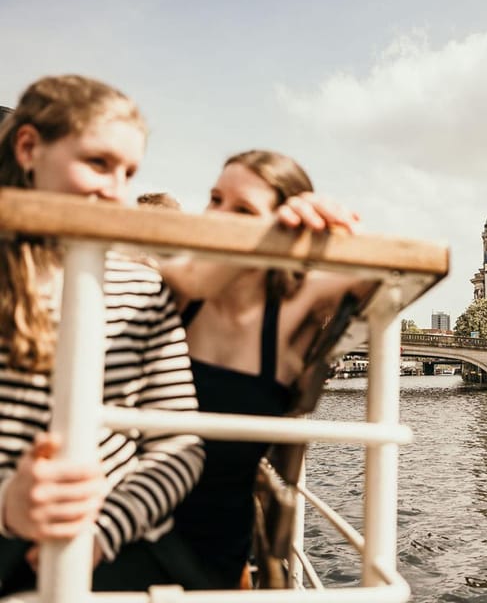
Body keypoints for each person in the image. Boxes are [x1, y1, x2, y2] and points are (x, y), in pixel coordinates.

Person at [0, 75, 206, 593]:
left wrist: (100, 532)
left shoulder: (141, 286)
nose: (117, 192)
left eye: (129, 172)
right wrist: (11, 504)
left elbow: (178, 444)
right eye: (98, 163)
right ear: (28, 148)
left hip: (112, 547)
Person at [156, 149, 359, 588]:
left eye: (244, 209)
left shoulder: (292, 311)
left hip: (214, 563)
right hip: (124, 533)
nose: (217, 216)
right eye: (214, 199)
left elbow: (385, 274)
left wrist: (333, 226)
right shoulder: (175, 289)